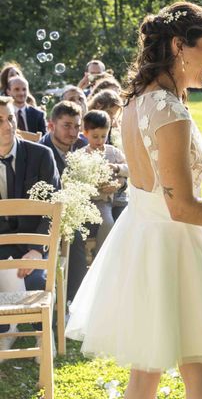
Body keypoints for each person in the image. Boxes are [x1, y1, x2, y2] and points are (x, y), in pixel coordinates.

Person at [65, 1, 202, 399]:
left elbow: (191, 165)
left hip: (142, 242)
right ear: (180, 46)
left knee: (145, 374)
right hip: (176, 246)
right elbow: (181, 205)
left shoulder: (137, 103)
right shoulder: (170, 111)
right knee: (198, 373)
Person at [0, 96, 59, 352]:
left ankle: (42, 335)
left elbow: (52, 208)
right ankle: (6, 330)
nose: (7, 125)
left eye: (10, 118)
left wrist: (37, 249)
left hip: (33, 245)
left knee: (35, 279)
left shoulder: (40, 155)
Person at [39, 101, 88, 301]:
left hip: (81, 207)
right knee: (74, 235)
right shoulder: (41, 151)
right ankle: (73, 299)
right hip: (48, 214)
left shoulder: (82, 146)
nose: (73, 132)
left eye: (77, 126)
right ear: (52, 126)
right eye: (66, 125)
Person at [80, 110, 128, 255]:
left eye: (103, 136)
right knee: (107, 223)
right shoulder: (82, 155)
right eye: (95, 137)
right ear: (85, 133)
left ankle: (125, 257)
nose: (99, 141)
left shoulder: (113, 152)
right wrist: (97, 186)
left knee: (131, 217)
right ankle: (102, 256)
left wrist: (118, 169)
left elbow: (129, 169)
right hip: (99, 200)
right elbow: (80, 180)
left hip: (119, 197)